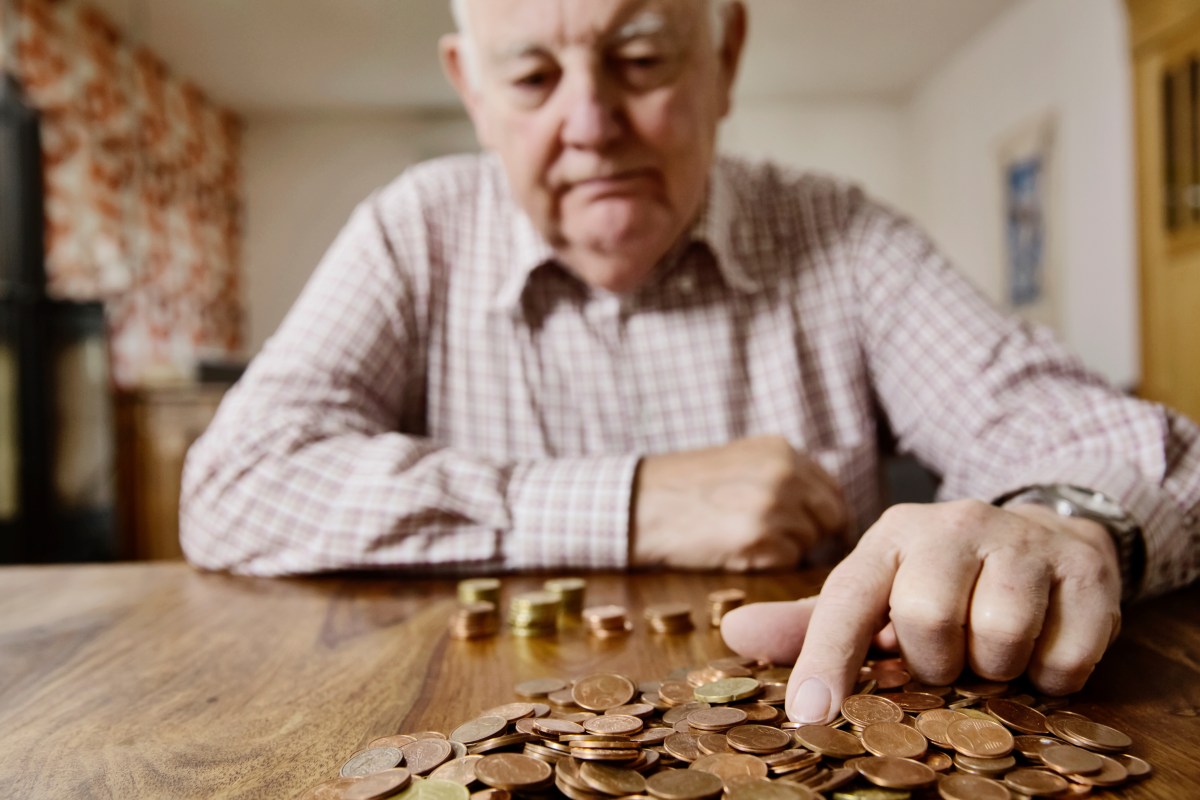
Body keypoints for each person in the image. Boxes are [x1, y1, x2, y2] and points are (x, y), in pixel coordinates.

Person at [180, 0, 1200, 726]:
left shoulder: (842, 234)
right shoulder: (412, 231)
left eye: (641, 58)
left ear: (726, 51)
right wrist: (632, 500)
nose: (590, 125)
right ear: (470, 87)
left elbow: (1137, 449)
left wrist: (1061, 520)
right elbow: (235, 482)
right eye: (532, 76)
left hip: (815, 732)